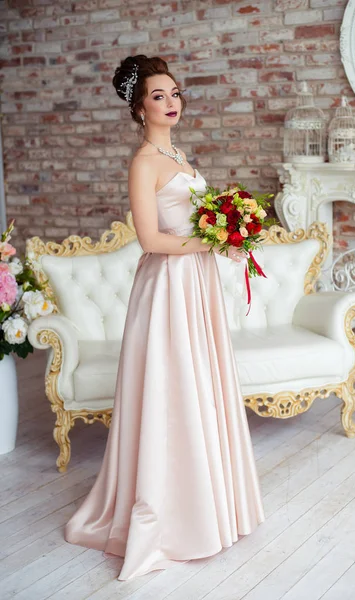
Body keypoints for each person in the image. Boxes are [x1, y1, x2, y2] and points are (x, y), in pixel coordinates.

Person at [64, 54, 265, 581]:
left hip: (194, 283)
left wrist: (225, 233)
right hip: (166, 287)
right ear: (138, 107)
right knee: (171, 390)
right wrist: (215, 237)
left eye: (175, 93)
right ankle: (170, 516)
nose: (171, 102)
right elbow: (150, 240)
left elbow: (191, 218)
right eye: (159, 95)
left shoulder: (177, 153)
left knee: (197, 385)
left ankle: (208, 508)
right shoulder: (144, 162)